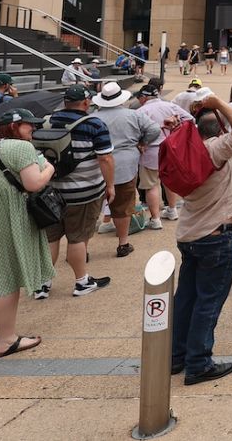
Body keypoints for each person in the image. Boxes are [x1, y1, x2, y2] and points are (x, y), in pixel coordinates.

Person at [170, 92, 232, 384]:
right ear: (217, 131)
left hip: (191, 233)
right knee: (208, 302)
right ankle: (199, 363)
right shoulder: (216, 150)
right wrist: (218, 104)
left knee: (187, 299)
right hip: (216, 237)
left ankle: (176, 356)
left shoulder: (187, 153)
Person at [0, 109, 56, 357]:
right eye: (30, 126)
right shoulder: (22, 149)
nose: (34, 130)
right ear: (15, 127)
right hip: (9, 218)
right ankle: (7, 339)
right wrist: (48, 168)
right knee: (7, 277)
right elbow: (34, 184)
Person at [38, 85, 114, 300]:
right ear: (86, 102)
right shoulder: (94, 124)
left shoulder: (46, 121)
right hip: (84, 191)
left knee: (51, 238)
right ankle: (81, 281)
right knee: (77, 237)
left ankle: (43, 283)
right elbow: (105, 158)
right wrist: (110, 186)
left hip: (51, 191)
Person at [91, 82, 159, 257]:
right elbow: (154, 130)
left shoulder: (93, 118)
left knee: (91, 209)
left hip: (97, 165)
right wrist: (142, 142)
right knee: (124, 205)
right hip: (126, 164)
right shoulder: (133, 115)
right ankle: (123, 243)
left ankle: (82, 248)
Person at [135, 80, 193, 230]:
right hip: (170, 147)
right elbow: (190, 119)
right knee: (168, 181)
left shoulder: (141, 111)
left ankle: (155, 219)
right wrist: (176, 129)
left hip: (150, 151)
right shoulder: (170, 106)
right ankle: (172, 210)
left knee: (151, 185)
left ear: (144, 97)